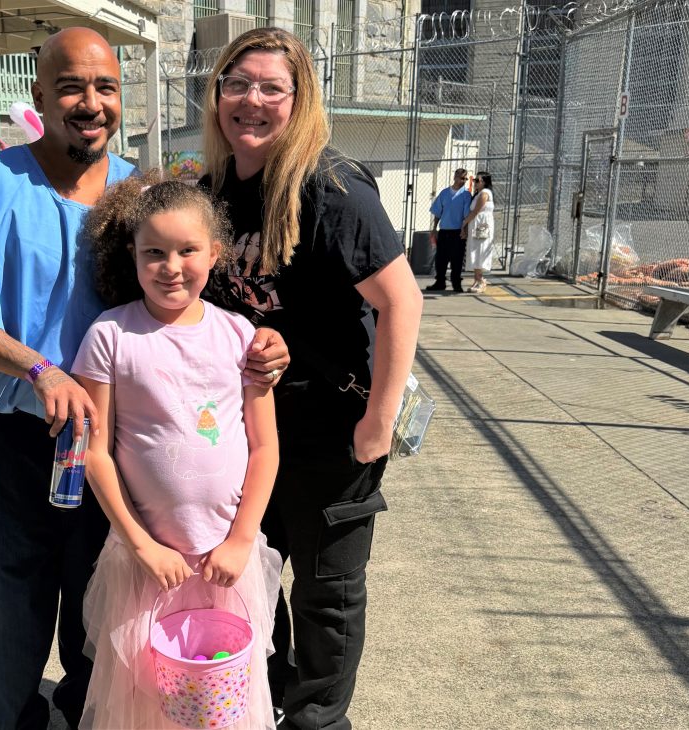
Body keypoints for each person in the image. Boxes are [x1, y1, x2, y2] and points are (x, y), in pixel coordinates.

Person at [0, 28, 290, 730]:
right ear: (39, 96)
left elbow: (200, 290)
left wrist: (265, 340)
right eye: (71, 87)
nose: (90, 103)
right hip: (23, 439)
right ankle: (13, 719)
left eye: (106, 87)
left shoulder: (143, 192)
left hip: (125, 451)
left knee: (109, 614)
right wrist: (38, 368)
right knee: (14, 603)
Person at [200, 28, 423, 730]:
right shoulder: (211, 191)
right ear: (217, 95)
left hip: (329, 434)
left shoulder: (331, 189)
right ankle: (260, 703)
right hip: (245, 435)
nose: (252, 100)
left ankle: (317, 721)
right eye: (238, 83)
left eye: (272, 87)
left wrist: (378, 423)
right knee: (250, 580)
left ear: (299, 101)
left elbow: (401, 301)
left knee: (326, 593)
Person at [73, 177, 282, 729]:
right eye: (154, 253)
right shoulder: (109, 336)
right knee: (146, 702)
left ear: (215, 253)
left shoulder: (240, 335)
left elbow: (265, 447)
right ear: (133, 254)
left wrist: (240, 542)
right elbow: (95, 452)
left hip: (226, 563)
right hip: (145, 566)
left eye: (188, 250)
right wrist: (141, 545)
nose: (171, 267)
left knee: (222, 701)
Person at [426, 167, 472, 293]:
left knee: (457, 259)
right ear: (455, 177)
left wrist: (464, 230)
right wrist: (434, 228)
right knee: (441, 259)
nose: (463, 181)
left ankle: (456, 283)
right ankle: (440, 282)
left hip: (457, 232)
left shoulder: (466, 195)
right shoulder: (444, 193)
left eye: (465, 179)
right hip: (444, 231)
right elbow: (438, 212)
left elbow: (467, 215)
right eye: (461, 178)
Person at [461, 171, 495, 293]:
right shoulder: (478, 194)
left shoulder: (485, 193)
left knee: (480, 252)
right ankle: (477, 280)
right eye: (474, 180)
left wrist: (464, 223)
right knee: (474, 251)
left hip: (481, 227)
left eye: (477, 181)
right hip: (476, 227)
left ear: (484, 182)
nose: (475, 182)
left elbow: (476, 211)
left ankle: (481, 280)